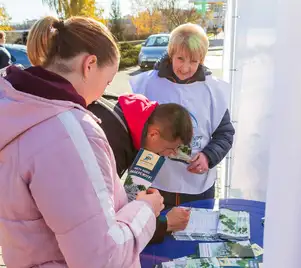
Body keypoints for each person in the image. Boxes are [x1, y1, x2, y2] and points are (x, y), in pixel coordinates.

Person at [0, 16, 164, 268]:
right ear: (89, 64)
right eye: (108, 81)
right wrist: (145, 209)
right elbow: (101, 258)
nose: (101, 93)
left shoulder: (15, 108)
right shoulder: (68, 131)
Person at [130, 23, 235, 209]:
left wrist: (208, 156)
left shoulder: (212, 90)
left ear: (202, 60)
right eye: (180, 58)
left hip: (198, 186)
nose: (185, 67)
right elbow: (133, 129)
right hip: (156, 182)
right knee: (158, 232)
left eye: (194, 61)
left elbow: (225, 133)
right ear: (171, 54)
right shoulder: (147, 84)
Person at [88, 92, 192, 243]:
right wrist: (163, 224)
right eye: (171, 148)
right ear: (153, 134)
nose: (170, 154)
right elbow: (103, 225)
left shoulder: (132, 116)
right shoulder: (113, 142)